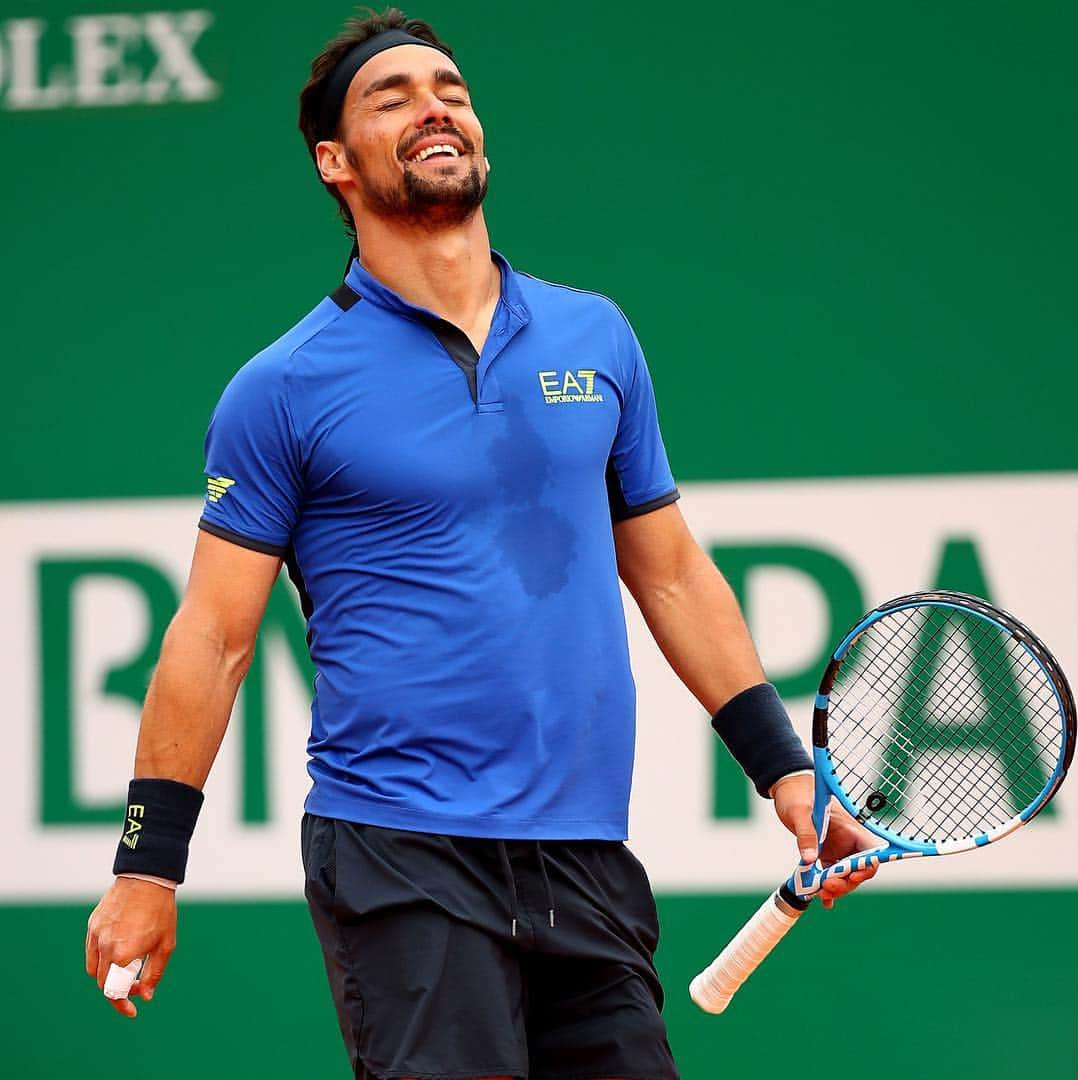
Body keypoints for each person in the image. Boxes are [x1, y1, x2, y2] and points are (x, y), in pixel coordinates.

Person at [85, 8, 876, 1078]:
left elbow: (675, 575)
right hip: (399, 852)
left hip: (585, 854)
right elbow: (214, 638)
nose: (435, 107)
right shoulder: (281, 389)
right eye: (393, 97)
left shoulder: (596, 337)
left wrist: (786, 774)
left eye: (450, 89)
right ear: (336, 163)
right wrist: (148, 866)